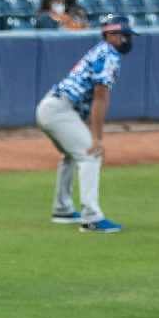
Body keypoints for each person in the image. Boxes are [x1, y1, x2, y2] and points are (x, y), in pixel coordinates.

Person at [35, 15, 135, 234]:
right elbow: (100, 96)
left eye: (128, 35)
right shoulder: (109, 55)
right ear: (109, 34)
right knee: (91, 153)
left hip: (53, 107)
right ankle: (91, 218)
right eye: (123, 35)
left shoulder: (100, 51)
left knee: (72, 154)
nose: (127, 40)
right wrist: (97, 137)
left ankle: (63, 209)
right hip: (59, 109)